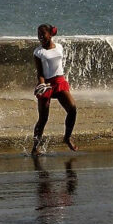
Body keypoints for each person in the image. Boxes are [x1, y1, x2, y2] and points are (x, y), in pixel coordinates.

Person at [31, 24, 78, 154]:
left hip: (60, 82)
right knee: (43, 118)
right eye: (38, 34)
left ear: (50, 34)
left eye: (43, 34)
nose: (40, 37)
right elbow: (40, 73)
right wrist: (42, 85)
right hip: (46, 84)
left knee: (72, 109)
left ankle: (67, 138)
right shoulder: (38, 52)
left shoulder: (59, 47)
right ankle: (35, 147)